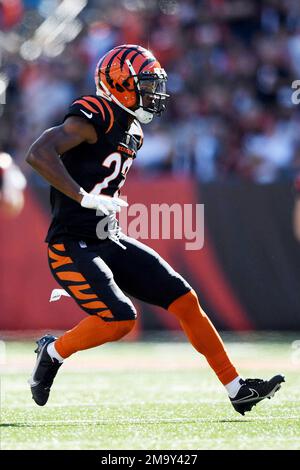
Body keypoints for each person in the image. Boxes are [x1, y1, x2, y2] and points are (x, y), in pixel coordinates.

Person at [26, 44, 284, 415]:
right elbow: (39, 152)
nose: (153, 93)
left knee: (185, 300)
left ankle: (236, 387)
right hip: (71, 242)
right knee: (120, 319)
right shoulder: (96, 113)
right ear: (120, 84)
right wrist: (82, 197)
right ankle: (52, 352)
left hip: (108, 236)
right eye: (145, 84)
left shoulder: (133, 129)